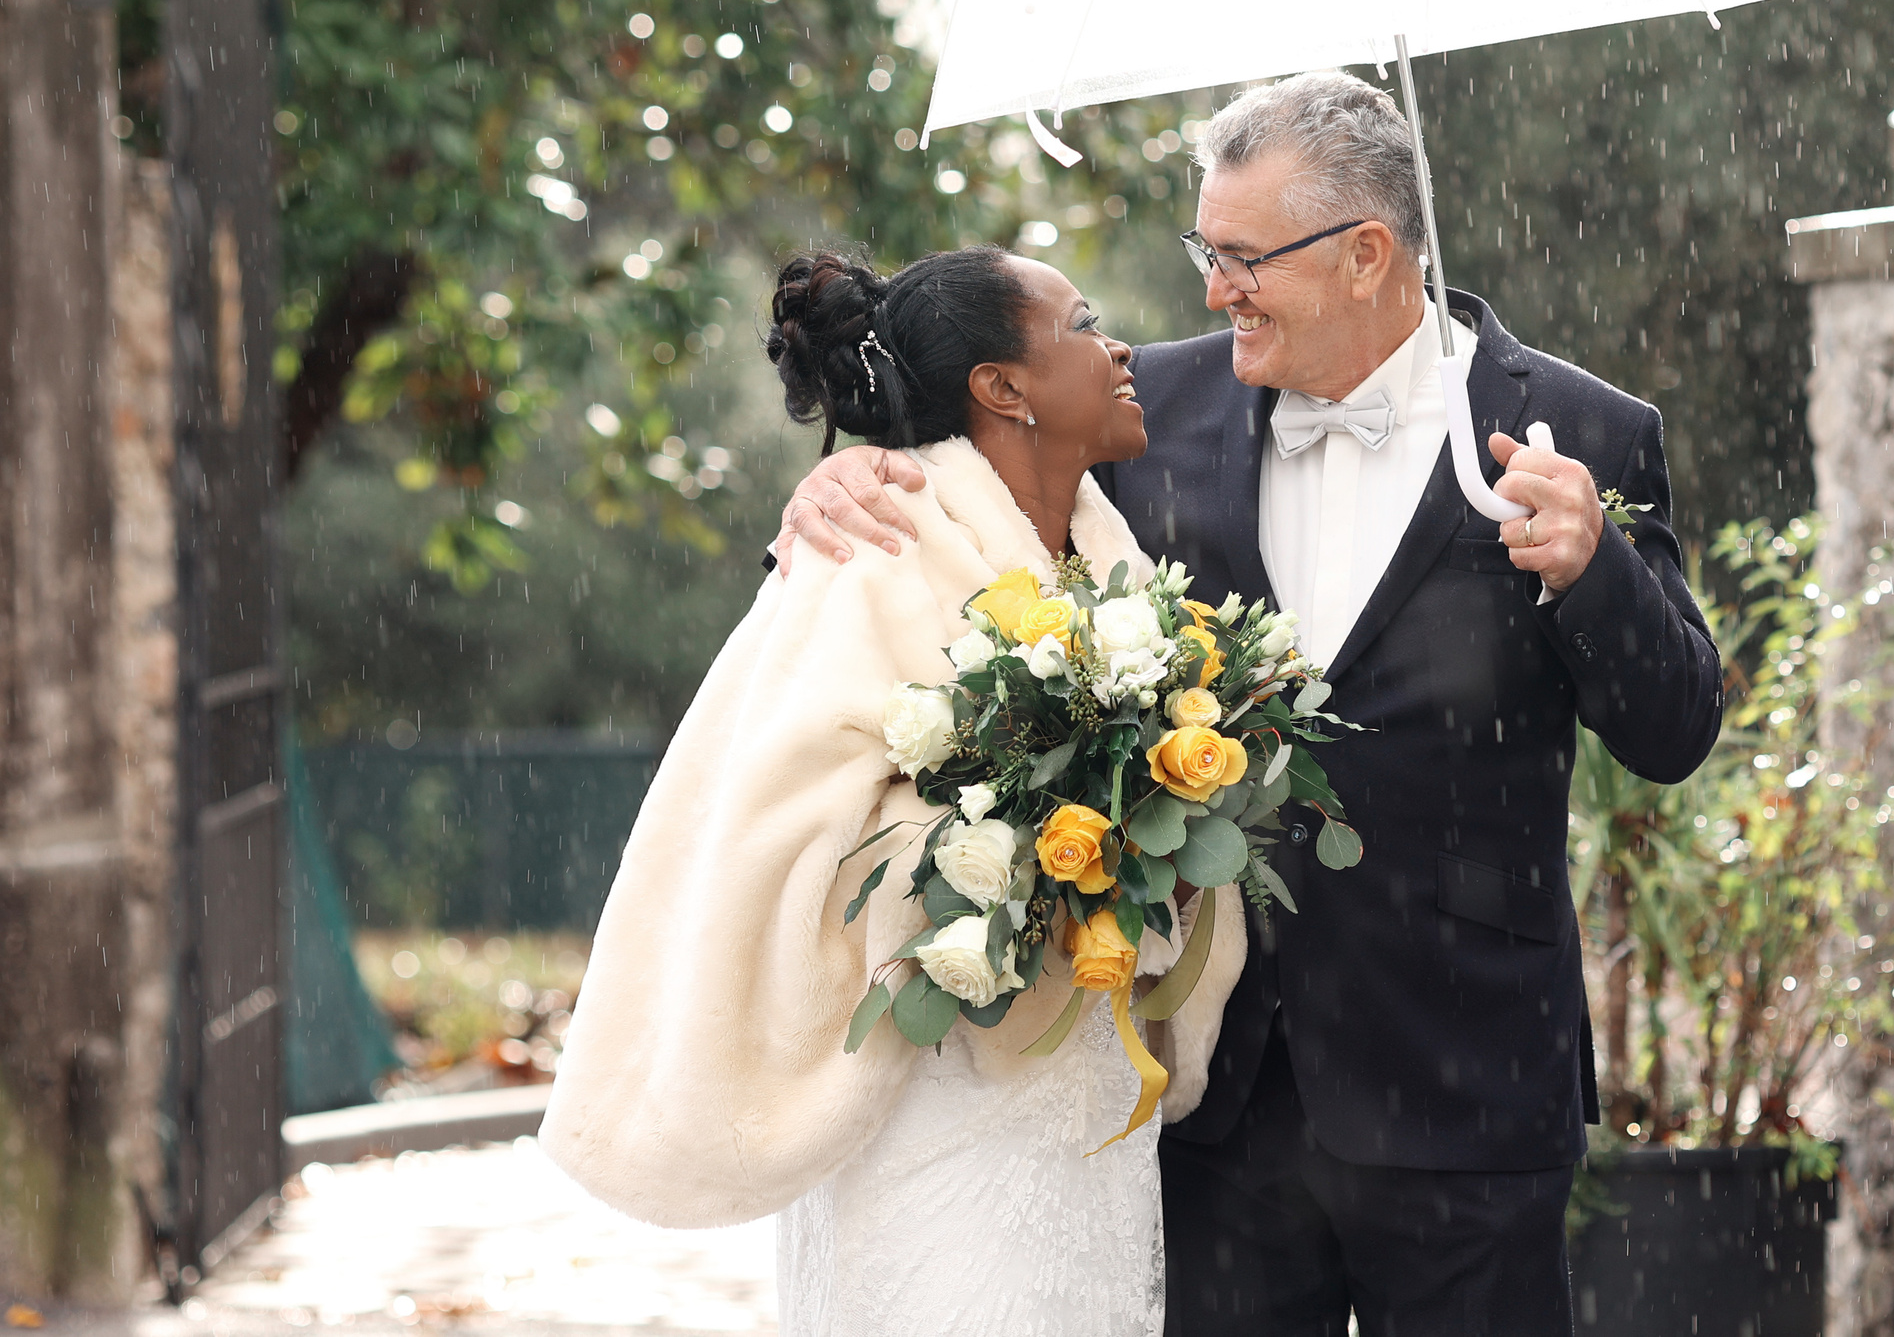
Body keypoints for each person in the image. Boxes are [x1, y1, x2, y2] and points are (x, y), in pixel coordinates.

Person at [773, 72, 1723, 1336]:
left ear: (1368, 251)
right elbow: (949, 497)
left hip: (1466, 1090)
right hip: (1212, 1090)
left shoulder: (1581, 429)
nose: (1214, 289)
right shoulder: (1145, 407)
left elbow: (1676, 731)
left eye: (1241, 258)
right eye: (1204, 251)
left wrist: (1596, 570)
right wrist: (835, 487)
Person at [541, 244, 1246, 1337]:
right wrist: (997, 853)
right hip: (932, 1111)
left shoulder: (1112, 557)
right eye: (1082, 323)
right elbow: (770, 830)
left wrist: (1160, 833)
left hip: (1092, 1113)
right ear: (1001, 387)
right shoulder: (866, 549)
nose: (1120, 347)